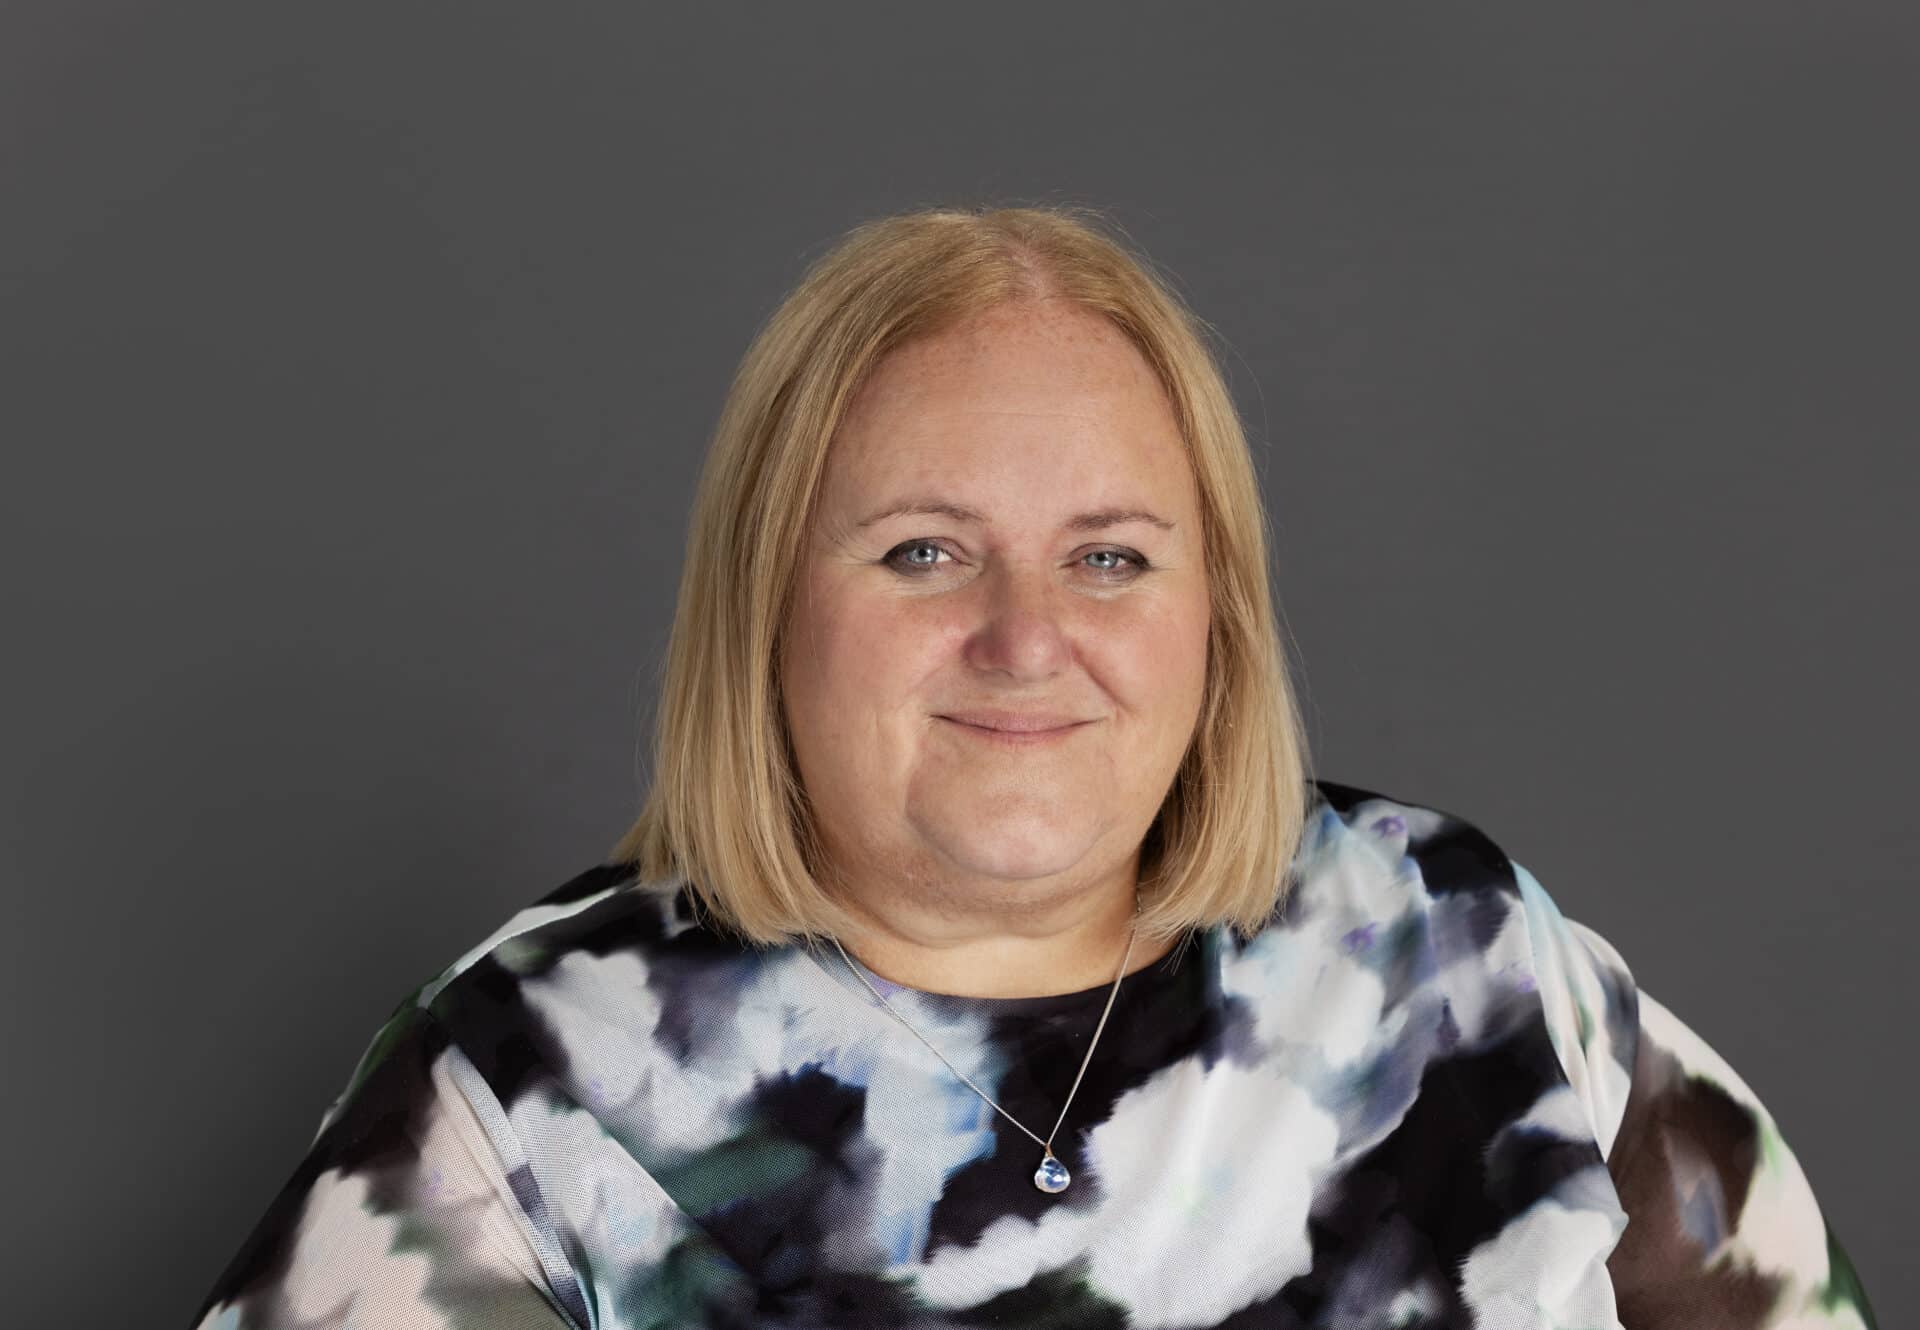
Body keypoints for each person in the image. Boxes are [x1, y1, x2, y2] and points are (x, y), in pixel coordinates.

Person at [191, 205, 1877, 1329]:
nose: (1025, 636)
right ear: (768, 606)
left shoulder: (1457, 953)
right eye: (924, 551)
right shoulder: (530, 1080)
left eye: (1111, 557)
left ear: (1216, 615)